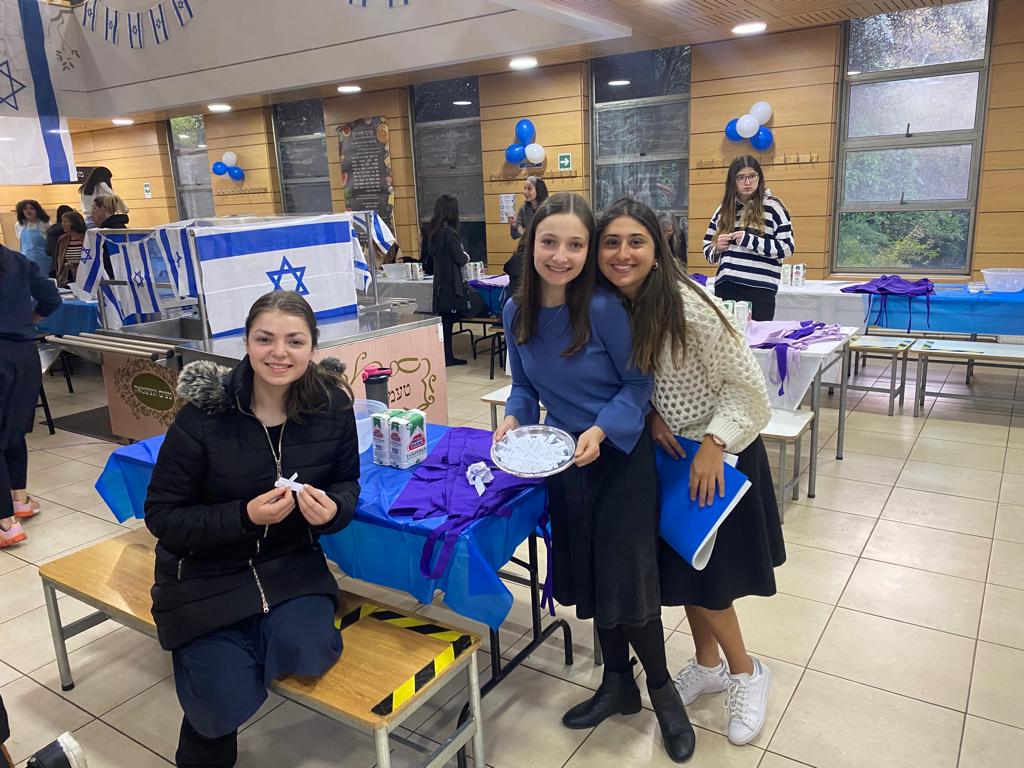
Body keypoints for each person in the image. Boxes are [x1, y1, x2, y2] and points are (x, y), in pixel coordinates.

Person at [496, 192, 696, 763]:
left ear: (587, 251)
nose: (560, 256)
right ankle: (617, 685)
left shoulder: (604, 308)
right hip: (565, 461)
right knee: (591, 575)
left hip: (619, 458)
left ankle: (663, 693)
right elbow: (524, 386)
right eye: (549, 242)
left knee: (628, 583)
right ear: (531, 244)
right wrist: (513, 417)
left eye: (575, 244)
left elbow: (638, 385)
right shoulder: (516, 310)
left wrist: (603, 430)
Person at [596, 197, 784, 747]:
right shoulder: (618, 306)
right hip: (671, 457)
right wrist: (653, 414)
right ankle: (707, 664)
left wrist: (714, 442)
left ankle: (746, 671)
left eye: (636, 242)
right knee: (684, 575)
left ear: (658, 250)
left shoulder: (688, 305)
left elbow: (748, 389)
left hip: (718, 457)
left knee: (712, 583)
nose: (623, 253)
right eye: (612, 242)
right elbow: (645, 382)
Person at [144, 290, 360, 768]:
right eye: (265, 339)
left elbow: (347, 482)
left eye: (294, 341)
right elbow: (162, 516)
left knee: (308, 649)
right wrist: (244, 516)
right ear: (245, 342)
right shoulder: (203, 418)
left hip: (290, 566)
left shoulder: (332, 408)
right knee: (218, 703)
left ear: (313, 346)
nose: (279, 353)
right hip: (203, 575)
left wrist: (335, 511)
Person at [0, 244, 62, 546]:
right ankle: (19, 499)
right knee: (13, 430)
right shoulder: (16, 259)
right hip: (25, 354)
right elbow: (51, 298)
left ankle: (5, 524)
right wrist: (29, 319)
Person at [703, 155, 794, 320]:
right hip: (726, 286)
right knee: (726, 335)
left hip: (760, 289)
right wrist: (717, 247)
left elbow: (787, 248)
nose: (747, 182)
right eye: (741, 177)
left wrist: (751, 241)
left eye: (752, 176)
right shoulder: (723, 210)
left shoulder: (774, 207)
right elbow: (707, 250)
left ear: (759, 178)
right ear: (733, 181)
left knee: (758, 336)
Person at [426, 194, 472, 367]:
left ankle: (445, 355)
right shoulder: (450, 234)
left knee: (444, 323)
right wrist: (466, 255)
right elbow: (460, 258)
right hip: (452, 285)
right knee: (449, 323)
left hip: (440, 285)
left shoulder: (434, 233)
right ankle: (448, 356)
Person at [503, 176, 550, 299]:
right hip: (527, 252)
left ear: (538, 190)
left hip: (544, 252)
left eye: (529, 188)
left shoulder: (547, 209)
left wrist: (528, 233)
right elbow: (515, 235)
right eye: (524, 188)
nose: (525, 192)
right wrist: (513, 225)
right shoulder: (523, 209)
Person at [90, 195, 130, 278]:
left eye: (94, 208)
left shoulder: (115, 230)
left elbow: (114, 259)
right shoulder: (106, 229)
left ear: (103, 209)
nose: (91, 214)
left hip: (115, 277)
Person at [15, 200, 52, 277]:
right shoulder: (19, 225)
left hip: (43, 261)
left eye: (31, 208)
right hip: (26, 261)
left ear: (37, 210)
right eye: (25, 208)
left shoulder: (45, 224)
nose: (28, 211)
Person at [54, 211, 87, 287]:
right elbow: (58, 259)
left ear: (74, 223)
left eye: (66, 221)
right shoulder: (62, 239)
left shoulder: (87, 237)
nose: (62, 224)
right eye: (62, 221)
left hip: (84, 277)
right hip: (68, 278)